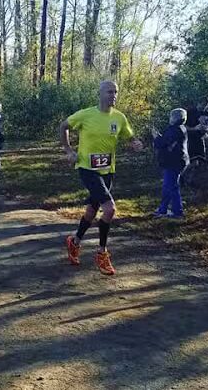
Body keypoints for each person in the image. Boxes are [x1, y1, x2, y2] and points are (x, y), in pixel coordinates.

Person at [59, 81, 143, 275]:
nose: (113, 95)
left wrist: (135, 144)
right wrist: (69, 150)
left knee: (91, 211)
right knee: (110, 209)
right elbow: (64, 125)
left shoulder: (120, 117)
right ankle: (102, 253)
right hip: (88, 169)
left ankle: (75, 241)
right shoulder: (86, 114)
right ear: (100, 93)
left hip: (108, 170)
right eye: (109, 91)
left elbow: (129, 137)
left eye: (116, 92)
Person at [152, 109, 190, 219]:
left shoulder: (174, 130)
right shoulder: (180, 128)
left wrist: (156, 137)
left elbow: (162, 143)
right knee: (169, 186)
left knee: (171, 187)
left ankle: (177, 212)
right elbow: (167, 141)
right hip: (178, 161)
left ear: (175, 118)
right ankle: (163, 209)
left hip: (174, 162)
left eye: (171, 116)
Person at [182, 97, 208, 185]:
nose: (204, 107)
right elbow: (183, 127)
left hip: (201, 139)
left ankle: (189, 180)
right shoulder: (190, 112)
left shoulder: (207, 113)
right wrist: (194, 128)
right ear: (198, 103)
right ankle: (181, 176)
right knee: (190, 161)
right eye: (203, 105)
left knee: (198, 161)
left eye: (206, 105)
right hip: (190, 139)